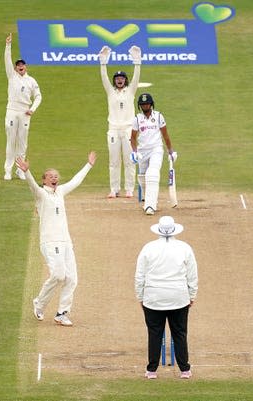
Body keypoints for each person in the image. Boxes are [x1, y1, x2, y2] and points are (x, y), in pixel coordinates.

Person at [15, 151, 97, 327]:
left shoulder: (60, 191)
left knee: (72, 279)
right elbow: (33, 187)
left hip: (66, 241)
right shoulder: (41, 194)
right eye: (50, 176)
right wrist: (27, 172)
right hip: (50, 242)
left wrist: (88, 165)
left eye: (56, 176)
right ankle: (39, 303)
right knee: (59, 275)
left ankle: (62, 313)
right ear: (44, 180)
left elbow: (76, 181)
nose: (54, 178)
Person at [135, 216, 198, 380]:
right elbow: (192, 275)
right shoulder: (184, 247)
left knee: (154, 333)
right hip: (178, 296)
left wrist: (140, 296)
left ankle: (151, 370)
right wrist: (192, 294)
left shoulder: (148, 248)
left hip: (154, 297)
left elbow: (139, 275)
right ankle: (185, 369)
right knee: (180, 333)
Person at [98, 45, 141, 199]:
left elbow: (136, 78)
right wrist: (103, 62)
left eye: (122, 78)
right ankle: (114, 189)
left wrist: (137, 61)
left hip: (129, 129)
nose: (119, 80)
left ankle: (129, 188)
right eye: (117, 79)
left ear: (125, 80)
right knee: (114, 161)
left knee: (130, 160)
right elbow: (103, 78)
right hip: (113, 129)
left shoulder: (131, 90)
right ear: (114, 81)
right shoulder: (110, 91)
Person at [4, 33, 42, 181]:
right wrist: (8, 46)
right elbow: (7, 61)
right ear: (15, 68)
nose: (20, 67)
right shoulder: (11, 76)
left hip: (25, 112)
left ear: (25, 67)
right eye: (18, 66)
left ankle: (20, 170)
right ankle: (8, 170)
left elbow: (39, 96)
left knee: (22, 142)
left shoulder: (31, 81)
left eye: (22, 65)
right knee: (11, 141)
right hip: (12, 110)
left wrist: (32, 109)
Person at [130, 93, 176, 215]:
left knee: (153, 173)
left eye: (147, 103)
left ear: (151, 104)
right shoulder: (137, 119)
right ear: (140, 106)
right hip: (142, 151)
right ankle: (149, 200)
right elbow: (133, 138)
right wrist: (134, 152)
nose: (145, 106)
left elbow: (165, 135)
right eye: (143, 104)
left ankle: (150, 205)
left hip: (156, 149)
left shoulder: (159, 116)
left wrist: (170, 151)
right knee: (143, 177)